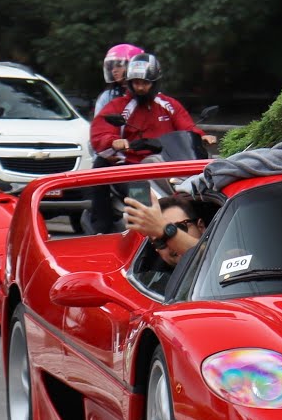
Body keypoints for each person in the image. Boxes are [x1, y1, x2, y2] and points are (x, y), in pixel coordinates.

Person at [87, 53, 217, 233]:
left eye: (145, 82)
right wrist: (114, 141)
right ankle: (125, 236)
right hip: (132, 169)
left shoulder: (168, 104)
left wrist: (201, 136)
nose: (140, 87)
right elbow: (101, 132)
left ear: (155, 82)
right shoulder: (118, 107)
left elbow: (186, 126)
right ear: (130, 82)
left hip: (166, 166)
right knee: (142, 200)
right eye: (136, 82)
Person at [123, 192, 209, 267]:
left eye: (179, 228)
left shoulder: (221, 246)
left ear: (200, 226)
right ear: (156, 249)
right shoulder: (157, 284)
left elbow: (210, 255)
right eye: (160, 241)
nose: (172, 244)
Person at [94, 43, 144, 117]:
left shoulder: (149, 95)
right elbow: (98, 125)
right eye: (112, 67)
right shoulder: (108, 97)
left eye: (119, 65)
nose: (114, 70)